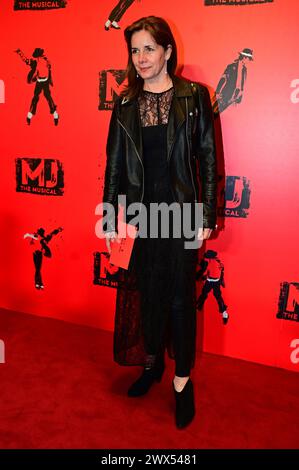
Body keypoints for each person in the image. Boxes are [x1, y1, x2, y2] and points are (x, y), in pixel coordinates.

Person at [102, 16, 217, 429]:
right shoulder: (126, 102)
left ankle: (182, 382)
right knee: (146, 294)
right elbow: (115, 162)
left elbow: (206, 156)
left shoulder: (193, 96)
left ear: (168, 50)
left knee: (181, 300)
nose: (141, 58)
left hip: (181, 214)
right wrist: (110, 215)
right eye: (135, 50)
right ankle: (151, 366)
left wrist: (206, 212)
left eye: (149, 48)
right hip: (140, 217)